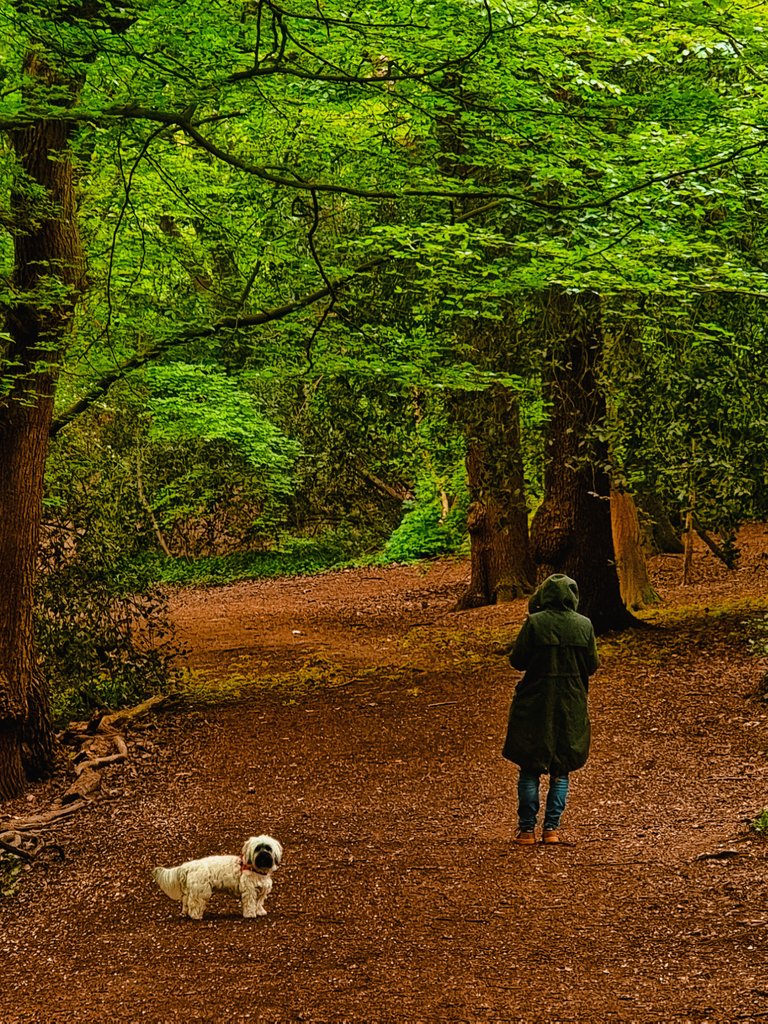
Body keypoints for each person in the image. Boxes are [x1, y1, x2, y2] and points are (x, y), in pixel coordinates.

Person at [502, 573, 599, 845]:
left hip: (535, 702)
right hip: (570, 702)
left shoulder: (534, 623)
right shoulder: (584, 626)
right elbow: (592, 666)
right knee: (562, 767)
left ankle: (526, 830)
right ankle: (551, 830)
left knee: (530, 766)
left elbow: (518, 660)